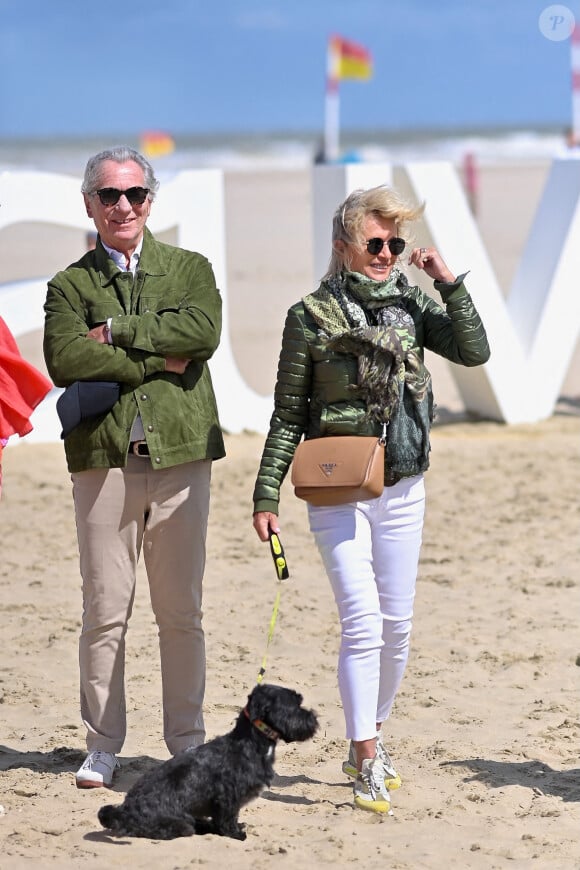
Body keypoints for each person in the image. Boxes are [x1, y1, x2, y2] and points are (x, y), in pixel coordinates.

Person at [252, 184, 490, 814]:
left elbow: (474, 351)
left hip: (404, 479)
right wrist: (265, 492)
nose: (387, 253)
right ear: (343, 247)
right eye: (374, 243)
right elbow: (287, 413)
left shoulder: (411, 305)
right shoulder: (310, 316)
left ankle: (373, 735)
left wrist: (448, 283)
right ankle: (363, 757)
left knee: (398, 629)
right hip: (337, 484)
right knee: (362, 623)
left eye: (395, 243)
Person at [43, 146, 225, 789]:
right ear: (89, 203)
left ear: (152, 199)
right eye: (110, 195)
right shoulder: (69, 284)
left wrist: (115, 332)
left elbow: (202, 333)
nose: (124, 206)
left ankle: (187, 743)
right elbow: (65, 360)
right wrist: (158, 355)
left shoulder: (190, 268)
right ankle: (102, 745)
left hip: (182, 458)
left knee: (181, 611)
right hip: (103, 463)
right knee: (104, 608)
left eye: (135, 194)